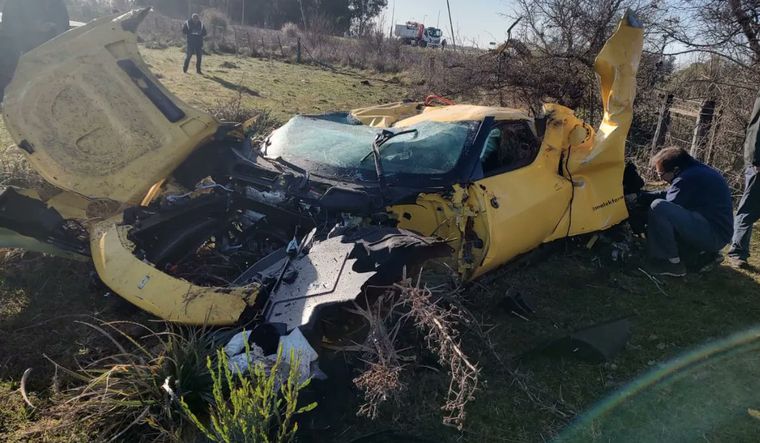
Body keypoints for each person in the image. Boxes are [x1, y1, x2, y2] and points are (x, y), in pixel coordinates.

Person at [640, 147, 733, 277]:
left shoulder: (686, 178)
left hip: (714, 235)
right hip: (718, 231)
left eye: (661, 174)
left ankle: (670, 263)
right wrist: (643, 196)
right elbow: (670, 193)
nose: (661, 178)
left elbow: (666, 208)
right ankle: (702, 255)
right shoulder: (697, 171)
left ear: (675, 170)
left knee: (658, 207)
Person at [727, 94, 760, 269]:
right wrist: (755, 161)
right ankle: (737, 252)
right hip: (758, 166)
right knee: (749, 208)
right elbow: (755, 130)